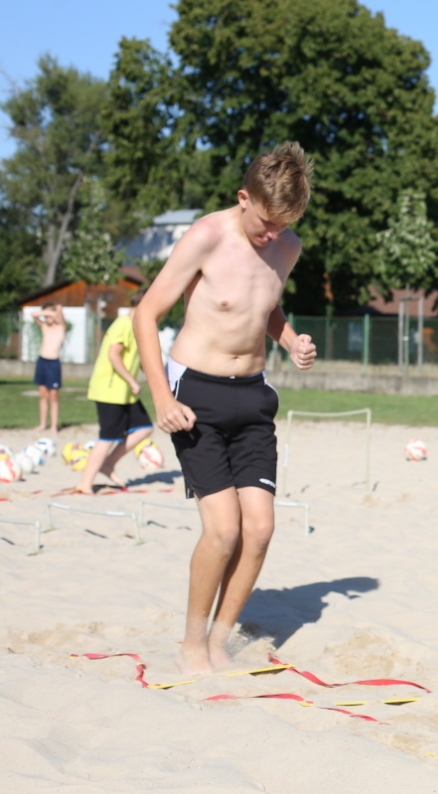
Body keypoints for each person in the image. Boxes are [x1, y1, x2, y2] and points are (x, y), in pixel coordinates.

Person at [132, 142, 317, 676]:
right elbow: (146, 314)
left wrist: (290, 340)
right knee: (224, 531)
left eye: (283, 226)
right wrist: (161, 399)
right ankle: (191, 644)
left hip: (254, 396)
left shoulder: (287, 246)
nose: (272, 236)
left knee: (259, 529)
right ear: (243, 198)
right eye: (264, 224)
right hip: (197, 397)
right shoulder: (206, 236)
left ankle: (219, 640)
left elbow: (265, 306)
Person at [76, 293, 154, 493]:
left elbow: (141, 361)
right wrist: (131, 380)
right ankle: (85, 483)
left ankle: (108, 463)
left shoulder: (137, 326)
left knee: (144, 428)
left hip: (124, 393)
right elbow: (114, 356)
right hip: (109, 390)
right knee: (108, 438)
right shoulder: (123, 324)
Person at [34, 302, 65, 432]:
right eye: (46, 316)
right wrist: (47, 312)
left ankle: (53, 426)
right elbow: (34, 314)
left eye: (50, 315)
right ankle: (42, 424)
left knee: (53, 396)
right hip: (42, 361)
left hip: (53, 363)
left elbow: (60, 312)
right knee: (43, 395)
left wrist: (55, 311)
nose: (47, 318)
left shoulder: (61, 327)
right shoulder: (45, 327)